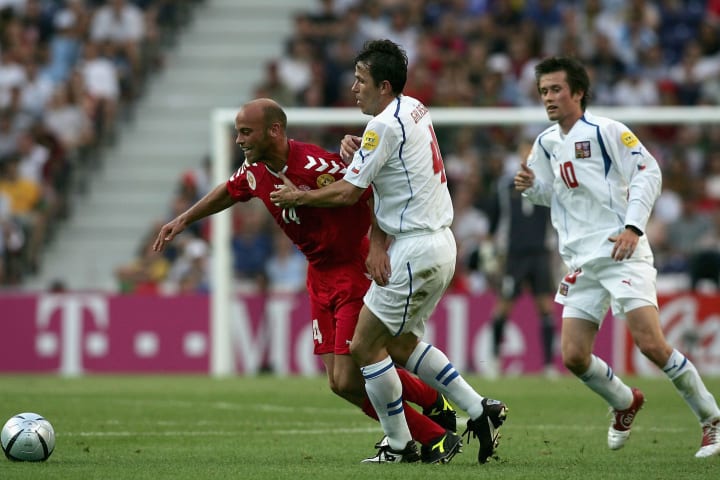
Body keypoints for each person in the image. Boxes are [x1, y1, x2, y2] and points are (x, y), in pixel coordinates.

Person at [153, 97, 460, 464]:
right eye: (237, 133)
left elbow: (370, 189)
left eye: (246, 132)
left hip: (352, 270)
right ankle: (432, 401)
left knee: (351, 376)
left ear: (275, 131)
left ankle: (432, 438)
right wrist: (184, 220)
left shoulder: (317, 164)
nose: (239, 140)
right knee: (337, 382)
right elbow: (228, 190)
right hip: (318, 275)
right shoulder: (256, 172)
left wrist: (376, 246)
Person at [271, 39, 508, 465]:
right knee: (399, 344)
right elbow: (390, 176)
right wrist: (377, 239)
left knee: (363, 348)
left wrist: (298, 198)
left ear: (383, 86)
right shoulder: (414, 107)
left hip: (417, 248)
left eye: (360, 81)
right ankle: (479, 409)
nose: (353, 89)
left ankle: (400, 444)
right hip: (438, 244)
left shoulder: (382, 127)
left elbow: (347, 193)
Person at [514, 55, 720, 458]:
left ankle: (711, 419)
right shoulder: (546, 143)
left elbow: (649, 172)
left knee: (651, 344)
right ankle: (625, 402)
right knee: (573, 355)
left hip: (620, 249)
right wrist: (530, 186)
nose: (549, 98)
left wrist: (634, 226)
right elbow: (553, 194)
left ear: (578, 92)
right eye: (543, 91)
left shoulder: (607, 131)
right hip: (581, 260)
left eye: (556, 89)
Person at [487, 143, 558, 379]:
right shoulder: (505, 185)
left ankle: (548, 366)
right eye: (523, 153)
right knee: (504, 306)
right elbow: (495, 221)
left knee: (545, 308)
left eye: (532, 153)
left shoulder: (549, 184)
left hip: (540, 253)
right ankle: (495, 360)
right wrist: (490, 250)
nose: (527, 157)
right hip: (514, 254)